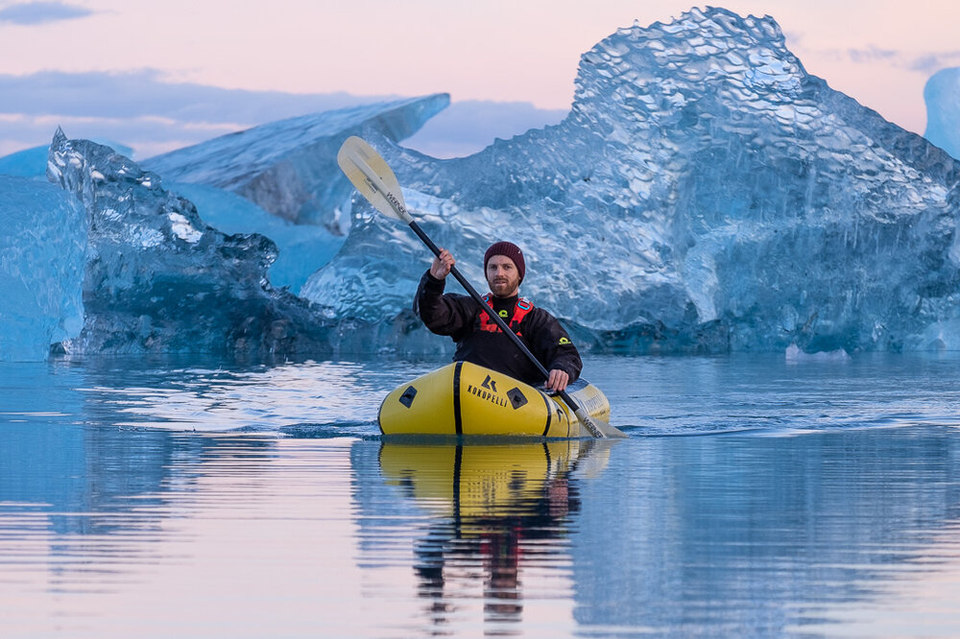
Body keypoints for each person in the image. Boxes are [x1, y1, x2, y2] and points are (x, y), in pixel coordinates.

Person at [415, 241, 582, 392]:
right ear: (486, 273)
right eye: (493, 267)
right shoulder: (470, 307)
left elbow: (567, 354)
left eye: (507, 267)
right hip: (466, 393)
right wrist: (434, 280)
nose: (499, 273)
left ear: (519, 274)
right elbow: (433, 315)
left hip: (516, 402)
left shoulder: (536, 319)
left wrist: (561, 369)